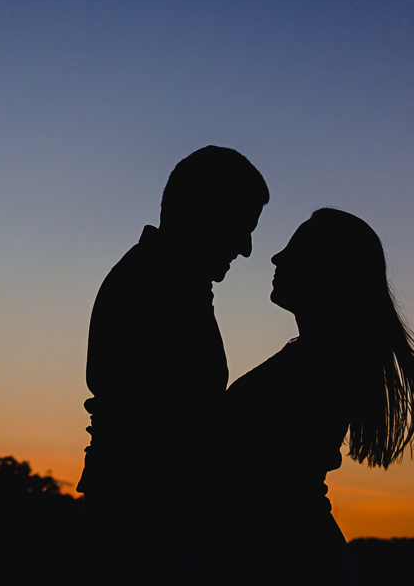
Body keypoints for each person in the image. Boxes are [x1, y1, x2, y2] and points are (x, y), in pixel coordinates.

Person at [222, 208, 414, 585]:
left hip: (287, 558)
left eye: (294, 250)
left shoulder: (319, 360)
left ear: (328, 270)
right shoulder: (325, 354)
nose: (276, 257)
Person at [79, 146, 269, 581]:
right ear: (202, 211)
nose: (246, 248)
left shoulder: (171, 283)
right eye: (242, 226)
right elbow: (169, 424)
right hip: (146, 526)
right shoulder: (153, 287)